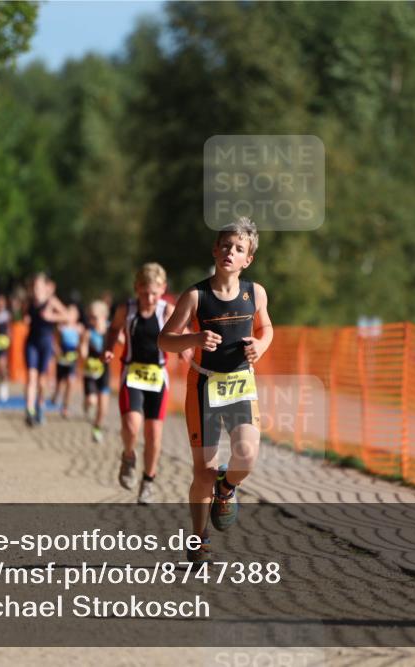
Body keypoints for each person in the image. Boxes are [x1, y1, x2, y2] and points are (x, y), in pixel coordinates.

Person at [159, 217, 274, 565]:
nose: (230, 252)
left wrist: (261, 345)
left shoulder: (255, 293)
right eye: (225, 245)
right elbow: (164, 339)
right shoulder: (196, 295)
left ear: (247, 260)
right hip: (204, 385)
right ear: (215, 249)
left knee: (247, 454)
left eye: (238, 248)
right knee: (203, 471)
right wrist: (194, 338)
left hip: (240, 383)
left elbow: (266, 327)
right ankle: (199, 540)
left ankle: (226, 488)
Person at [103, 263, 177, 504]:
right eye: (145, 292)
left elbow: (181, 333)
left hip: (158, 376)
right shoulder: (127, 310)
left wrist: (185, 350)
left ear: (163, 289)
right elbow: (113, 330)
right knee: (132, 426)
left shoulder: (167, 311)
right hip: (132, 372)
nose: (149, 298)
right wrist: (108, 348)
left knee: (154, 433)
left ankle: (148, 481)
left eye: (155, 293)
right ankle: (128, 456)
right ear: (137, 288)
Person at [23, 273, 70, 426]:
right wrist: (25, 318)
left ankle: (39, 406)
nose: (36, 290)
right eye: (34, 287)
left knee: (42, 382)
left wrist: (51, 317)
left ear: (44, 287)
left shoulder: (51, 302)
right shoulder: (29, 302)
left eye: (39, 287)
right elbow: (23, 315)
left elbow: (67, 316)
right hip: (31, 343)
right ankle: (29, 411)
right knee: (31, 377)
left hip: (46, 343)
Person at [81, 300, 111, 442]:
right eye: (90, 317)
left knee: (103, 408)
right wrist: (83, 354)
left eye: (95, 317)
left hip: (105, 371)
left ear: (104, 317)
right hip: (90, 371)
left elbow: (122, 340)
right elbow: (83, 348)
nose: (92, 320)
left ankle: (97, 428)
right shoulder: (88, 332)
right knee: (92, 401)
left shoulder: (110, 330)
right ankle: (86, 404)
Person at [53, 303, 83, 418]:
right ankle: (56, 394)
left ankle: (65, 407)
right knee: (59, 382)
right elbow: (55, 341)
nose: (70, 316)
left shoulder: (79, 328)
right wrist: (56, 351)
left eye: (73, 313)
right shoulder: (61, 327)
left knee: (70, 382)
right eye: (68, 313)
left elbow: (82, 343)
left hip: (73, 358)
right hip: (62, 358)